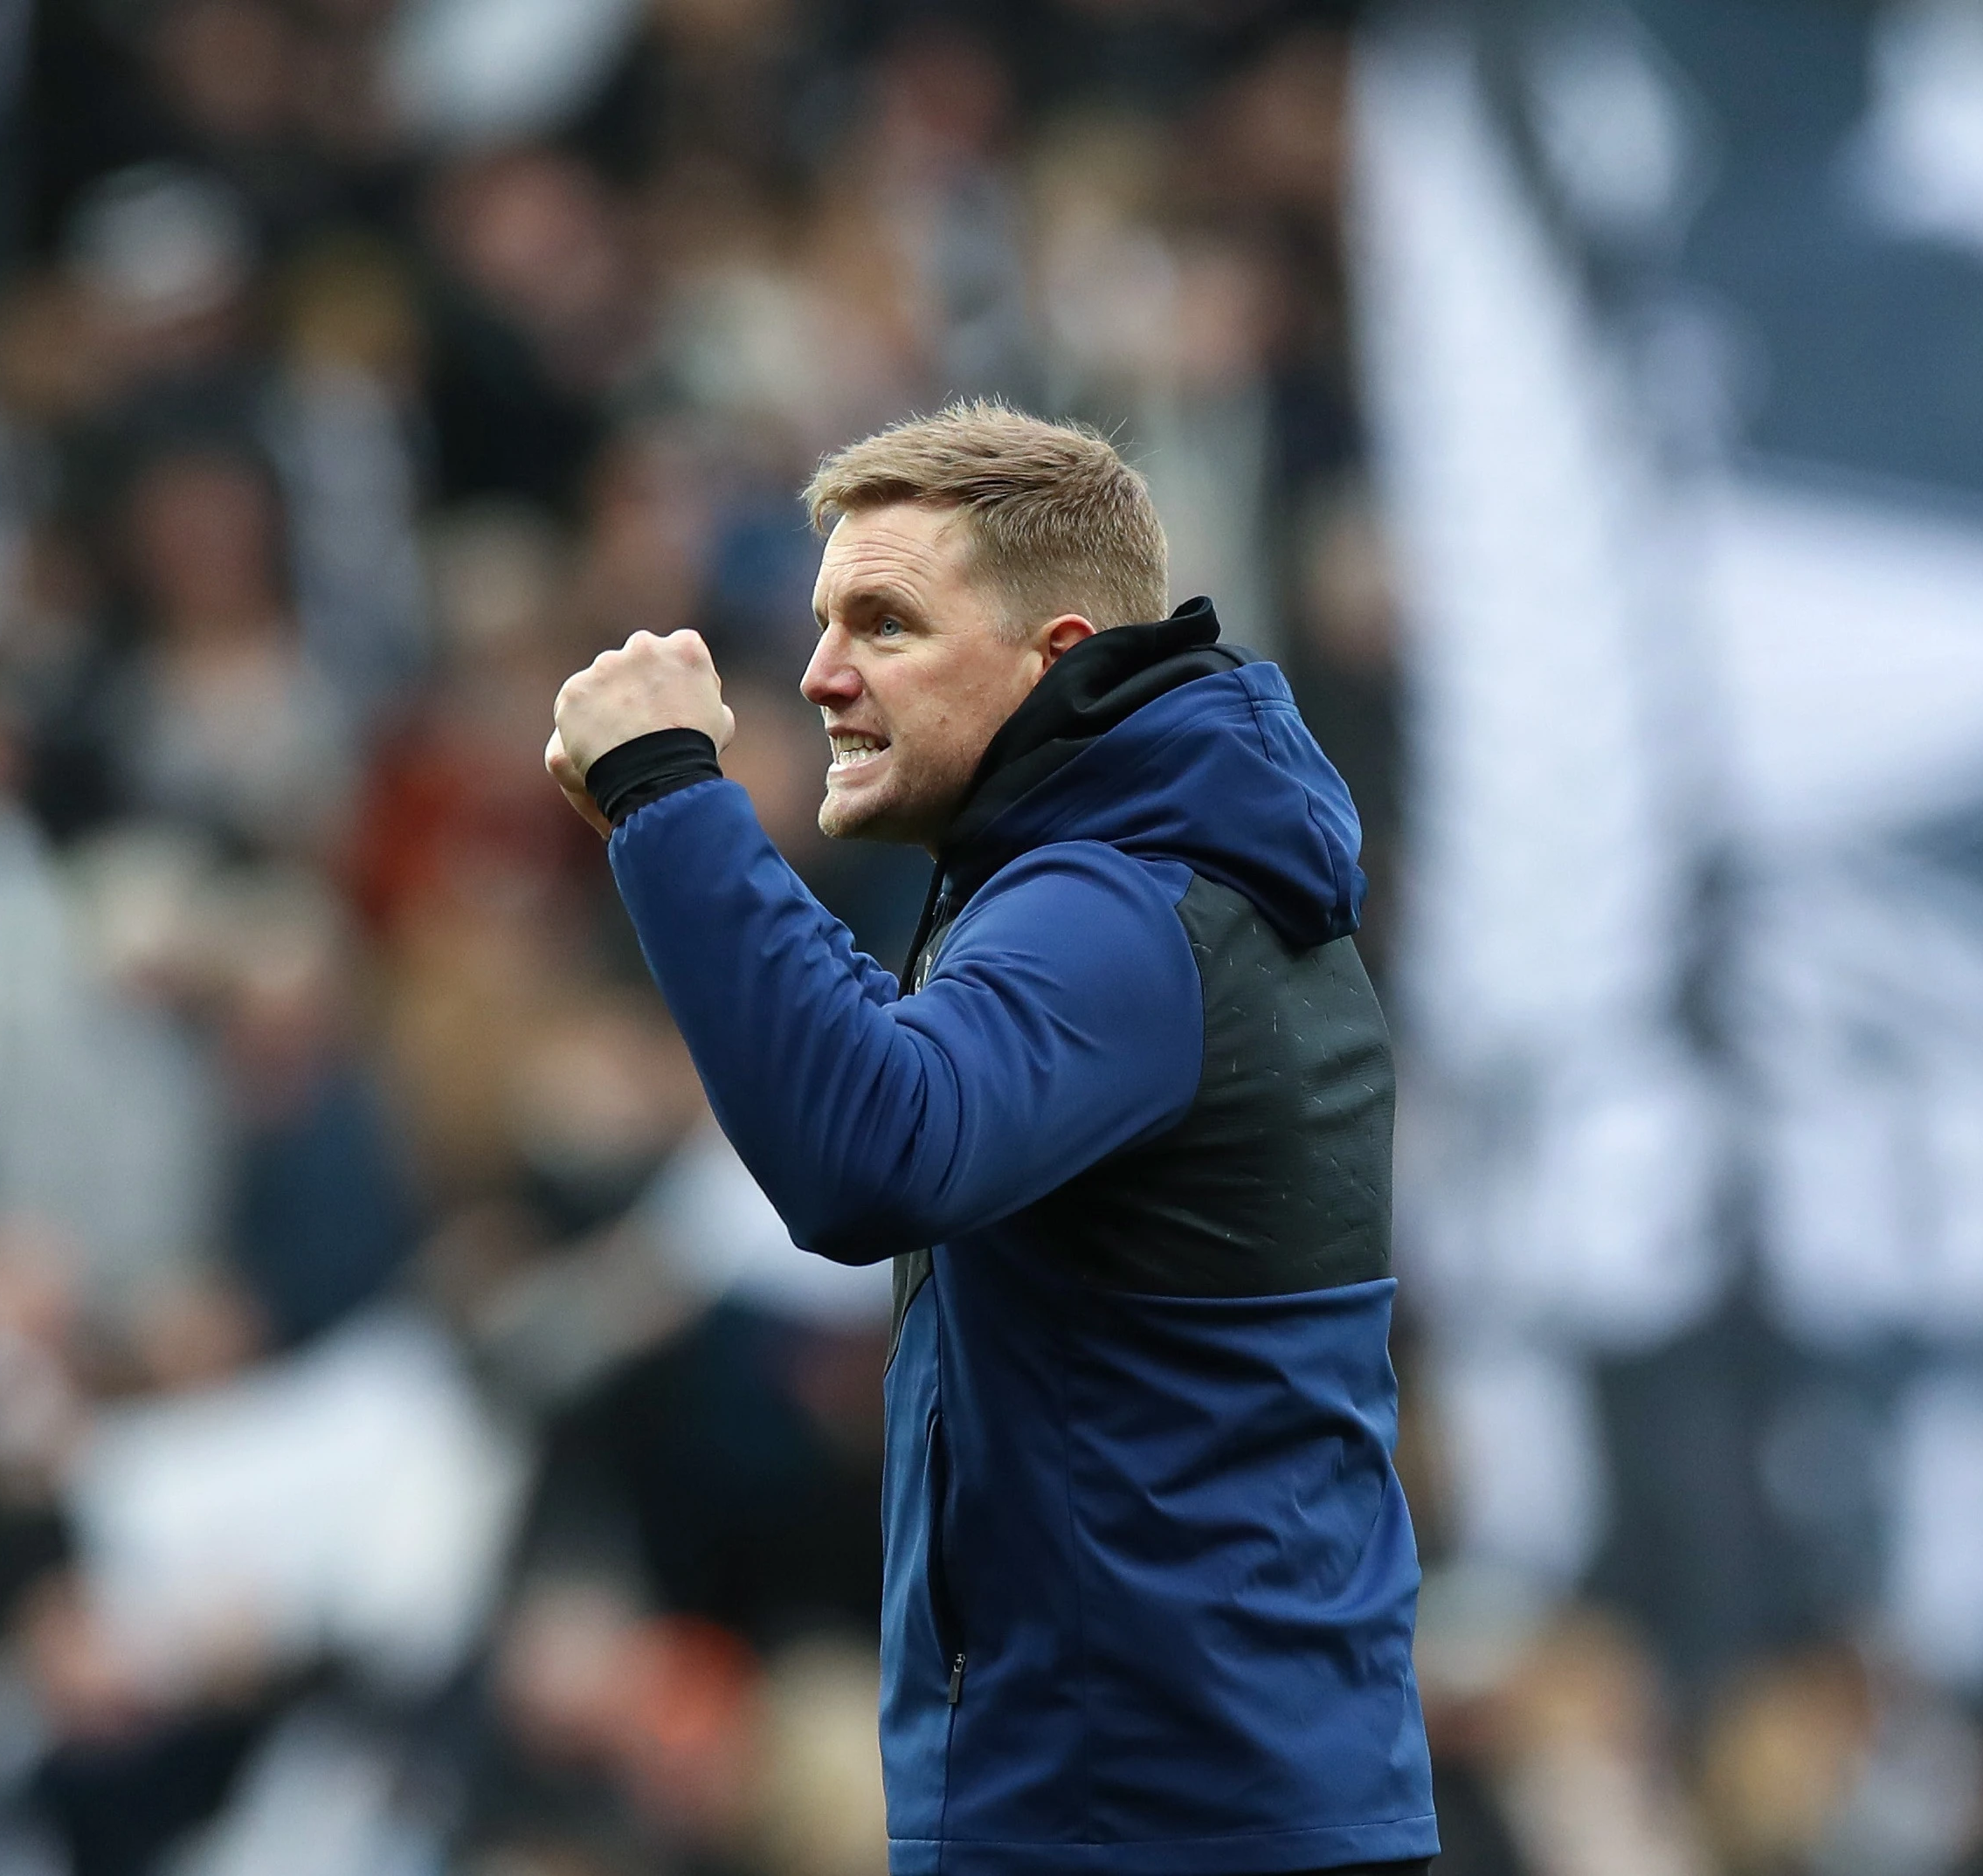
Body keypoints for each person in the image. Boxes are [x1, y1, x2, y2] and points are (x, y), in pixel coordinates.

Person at [543, 402, 1435, 1876]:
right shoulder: (1137, 883)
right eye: (824, 623)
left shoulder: (1118, 908)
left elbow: (868, 1155)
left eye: (886, 624)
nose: (822, 674)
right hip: (1189, 1804)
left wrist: (670, 798)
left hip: (1154, 1825)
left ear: (1055, 656)